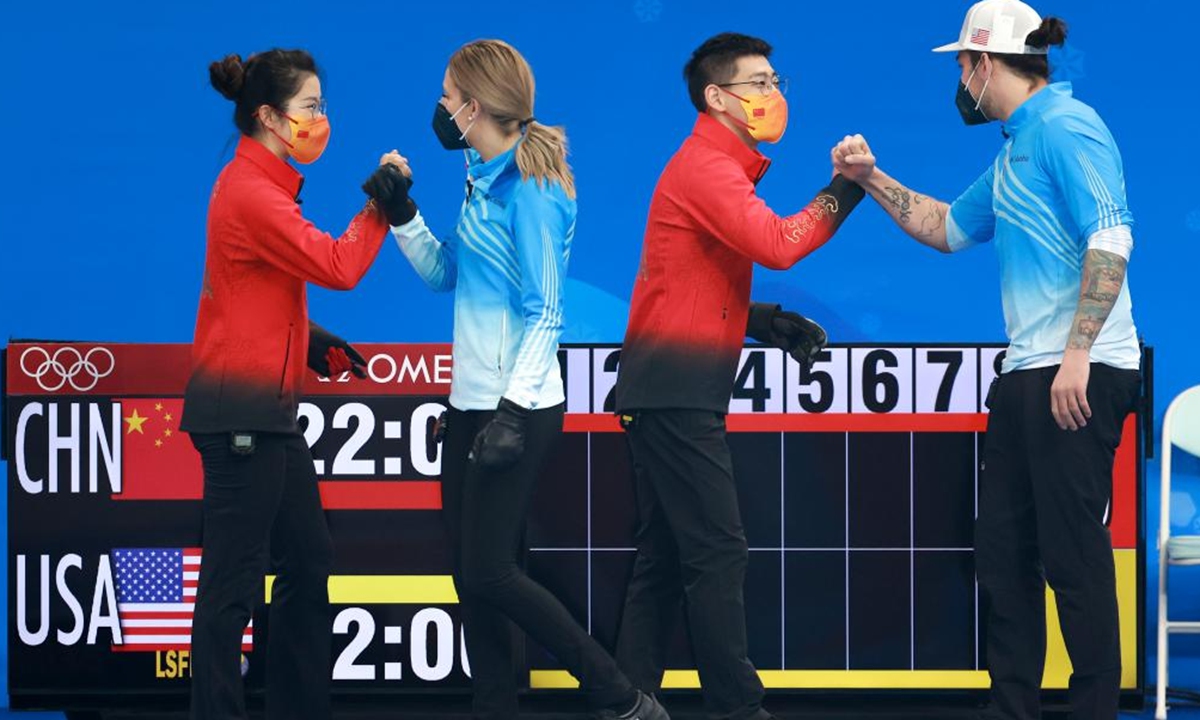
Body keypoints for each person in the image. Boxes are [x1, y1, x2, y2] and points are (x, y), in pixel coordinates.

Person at [831, 2, 1141, 717]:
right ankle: (1013, 709)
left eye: (962, 66)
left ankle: (1093, 708)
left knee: (1072, 555)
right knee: (1004, 553)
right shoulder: (1014, 150)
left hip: (1078, 373)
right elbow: (944, 228)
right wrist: (870, 177)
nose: (960, 81)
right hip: (1027, 375)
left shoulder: (1068, 127)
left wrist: (1077, 356)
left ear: (983, 62)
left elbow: (1113, 236)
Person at [385, 39, 667, 720]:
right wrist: (403, 214)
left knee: (490, 570)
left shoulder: (535, 191)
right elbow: (447, 275)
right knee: (471, 575)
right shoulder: (481, 175)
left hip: (521, 408)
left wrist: (512, 411)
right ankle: (494, 705)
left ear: (474, 106)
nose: (442, 107)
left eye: (448, 97)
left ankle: (620, 697)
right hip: (469, 405)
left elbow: (547, 311)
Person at [613, 32, 862, 720]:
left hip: (666, 387)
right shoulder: (707, 169)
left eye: (776, 80)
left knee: (664, 559)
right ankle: (737, 707)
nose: (773, 95)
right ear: (717, 98)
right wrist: (848, 188)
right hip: (675, 391)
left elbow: (688, 280)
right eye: (757, 83)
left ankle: (624, 701)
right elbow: (779, 244)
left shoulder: (714, 168)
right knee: (717, 553)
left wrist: (764, 322)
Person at [181, 48, 411, 720]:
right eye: (310, 108)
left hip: (269, 413)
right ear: (268, 117)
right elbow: (336, 265)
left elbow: (245, 290)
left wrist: (308, 341)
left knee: (308, 566)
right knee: (231, 586)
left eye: (320, 106)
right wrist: (381, 201)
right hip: (241, 416)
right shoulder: (252, 193)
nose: (321, 119)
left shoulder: (261, 187)